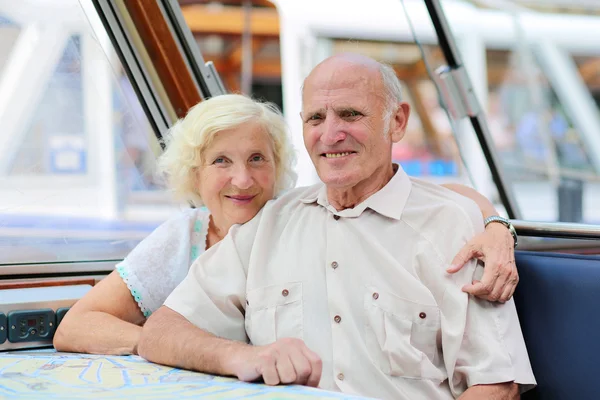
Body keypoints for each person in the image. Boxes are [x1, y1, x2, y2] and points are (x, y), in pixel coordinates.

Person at [138, 54, 535, 399]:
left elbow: (496, 386)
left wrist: (498, 223)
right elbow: (161, 332)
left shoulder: (452, 224)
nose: (330, 134)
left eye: (350, 114)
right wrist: (241, 356)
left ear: (396, 122)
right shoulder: (268, 224)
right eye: (316, 118)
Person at [54, 90, 517, 357]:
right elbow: (76, 326)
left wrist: (497, 226)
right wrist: (175, 348)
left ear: (278, 165)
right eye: (221, 161)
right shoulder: (184, 236)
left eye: (258, 159)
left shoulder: (296, 215)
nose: (242, 179)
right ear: (195, 173)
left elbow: (434, 196)